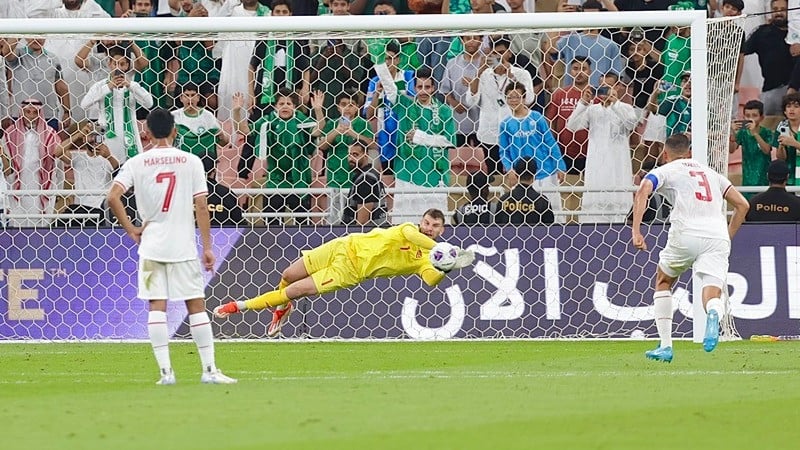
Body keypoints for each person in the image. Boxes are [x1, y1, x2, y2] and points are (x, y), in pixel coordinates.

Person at [106, 108, 236, 385]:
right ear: (175, 131)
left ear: (147, 133)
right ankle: (209, 370)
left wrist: (131, 229)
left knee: (157, 306)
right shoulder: (191, 161)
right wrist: (208, 247)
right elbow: (201, 204)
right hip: (183, 246)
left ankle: (166, 373)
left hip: (152, 244)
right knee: (196, 305)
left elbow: (113, 197)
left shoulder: (137, 162)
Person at [213, 209, 475, 337]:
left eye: (435, 226)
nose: (429, 228)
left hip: (349, 271)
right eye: (427, 223)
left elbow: (431, 281)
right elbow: (410, 235)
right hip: (343, 245)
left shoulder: (426, 261)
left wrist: (445, 268)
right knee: (288, 274)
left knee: (293, 291)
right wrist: (443, 248)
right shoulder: (409, 229)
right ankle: (282, 309)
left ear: (442, 229)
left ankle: (238, 307)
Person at [631, 133, 749, 363]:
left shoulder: (667, 170)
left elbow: (643, 189)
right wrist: (726, 236)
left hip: (685, 232)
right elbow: (743, 205)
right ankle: (714, 313)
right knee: (713, 292)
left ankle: (665, 345)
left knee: (663, 281)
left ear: (665, 154)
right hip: (716, 236)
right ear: (690, 152)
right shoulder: (712, 174)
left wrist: (636, 230)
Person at [54, 121, 119, 227]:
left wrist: (108, 156)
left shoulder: (109, 158)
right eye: (90, 136)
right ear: (84, 139)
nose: (94, 140)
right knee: (58, 227)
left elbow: (119, 172)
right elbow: (57, 152)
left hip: (101, 209)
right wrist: (77, 135)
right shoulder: (78, 157)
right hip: (81, 208)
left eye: (97, 136)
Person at [495, 157, 555, 225]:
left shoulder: (504, 199)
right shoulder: (542, 201)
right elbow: (550, 229)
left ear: (516, 175)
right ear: (534, 176)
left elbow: (497, 226)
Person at [341, 141, 387, 227]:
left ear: (366, 155)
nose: (350, 159)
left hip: (367, 235)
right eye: (349, 155)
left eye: (355, 155)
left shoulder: (366, 180)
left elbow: (362, 222)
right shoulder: (370, 174)